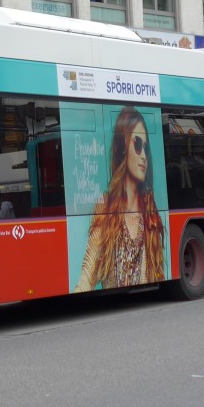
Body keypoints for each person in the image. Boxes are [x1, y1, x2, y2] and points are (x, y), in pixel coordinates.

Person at [73, 107, 166, 292]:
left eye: (146, 148)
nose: (143, 156)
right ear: (123, 147)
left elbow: (159, 274)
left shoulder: (150, 215)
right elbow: (87, 277)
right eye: (137, 144)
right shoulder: (105, 208)